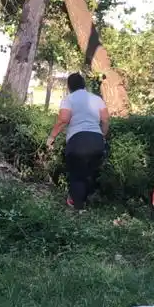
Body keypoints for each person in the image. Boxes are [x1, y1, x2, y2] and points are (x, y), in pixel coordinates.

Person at [46, 73, 110, 210]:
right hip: (97, 141)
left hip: (77, 142)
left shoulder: (69, 99)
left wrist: (51, 138)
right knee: (90, 174)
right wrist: (103, 136)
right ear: (84, 84)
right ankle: (87, 203)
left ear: (69, 86)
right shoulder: (96, 99)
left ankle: (79, 210)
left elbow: (63, 120)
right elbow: (105, 120)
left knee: (76, 176)